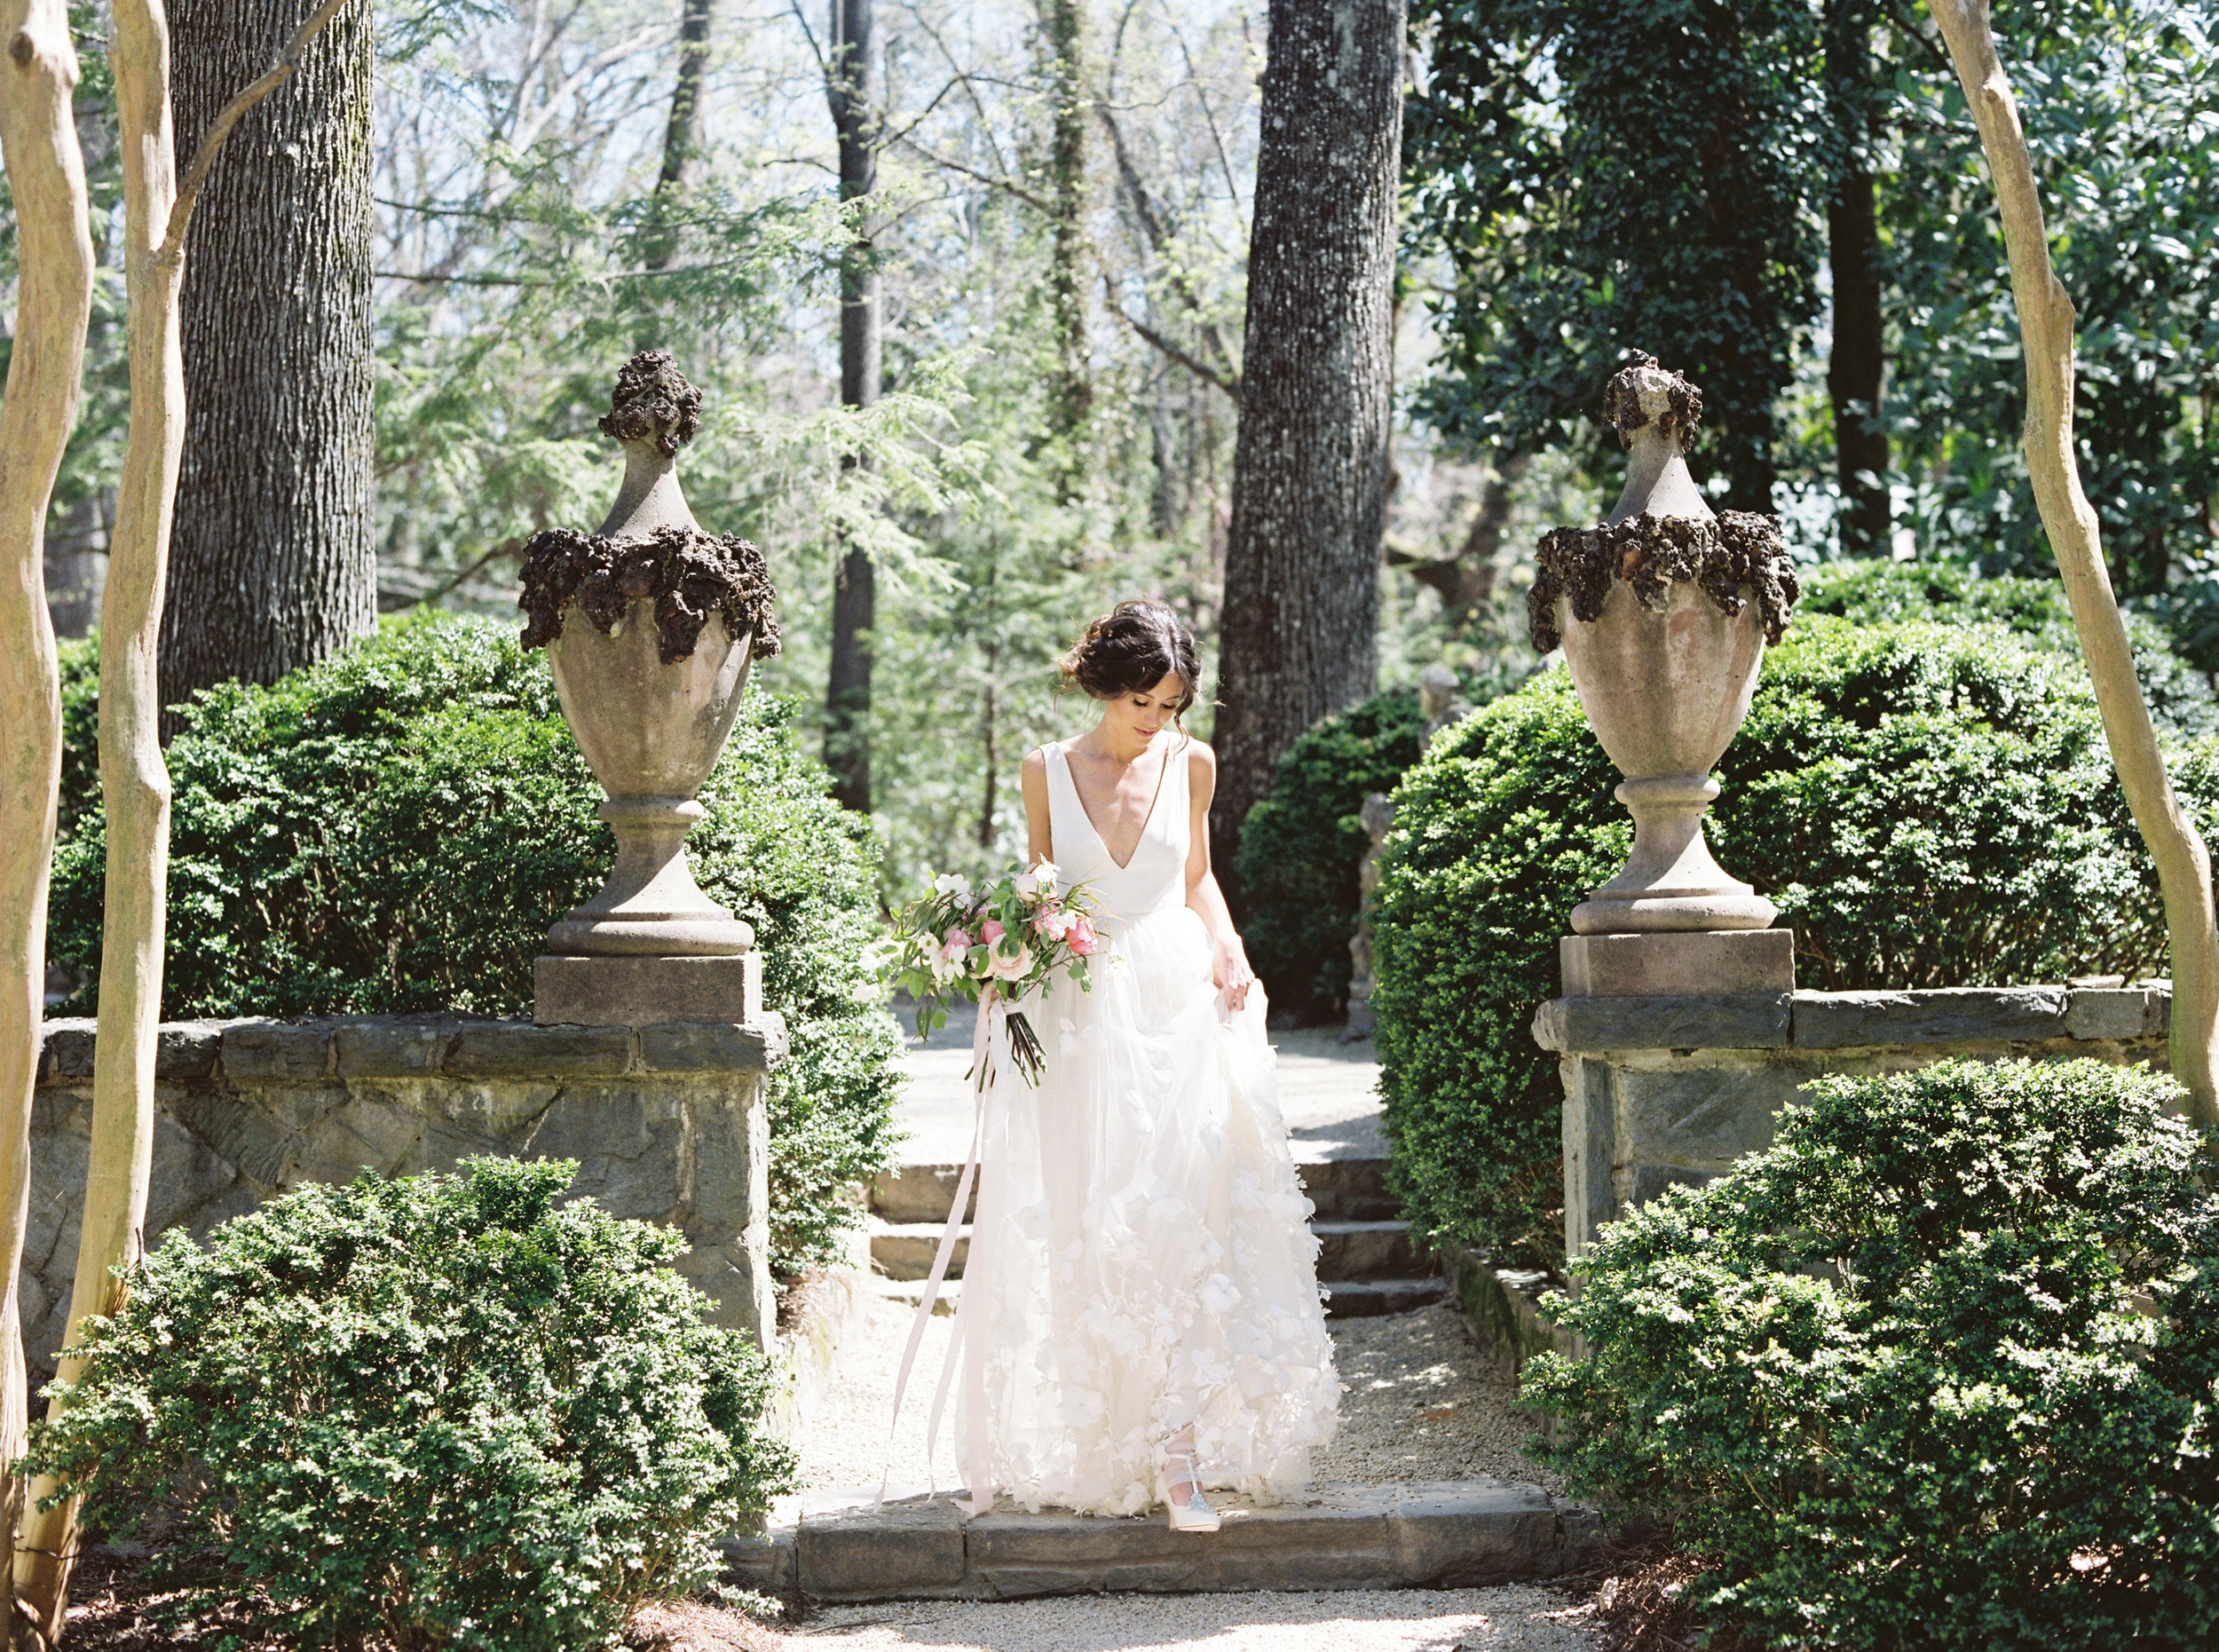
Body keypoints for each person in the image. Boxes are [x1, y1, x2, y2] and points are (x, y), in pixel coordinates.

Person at [946, 598, 1339, 1530]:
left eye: (1171, 706)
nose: (1158, 722)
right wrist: (999, 963)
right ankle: (1109, 1441)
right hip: (1081, 1012)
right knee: (1098, 1218)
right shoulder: (1046, 770)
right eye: (1143, 705)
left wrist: (1231, 947)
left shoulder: (1191, 763)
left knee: (1186, 1216)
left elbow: (1197, 875)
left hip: (1174, 1004)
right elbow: (1042, 888)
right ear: (1102, 685)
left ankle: (1181, 1459)